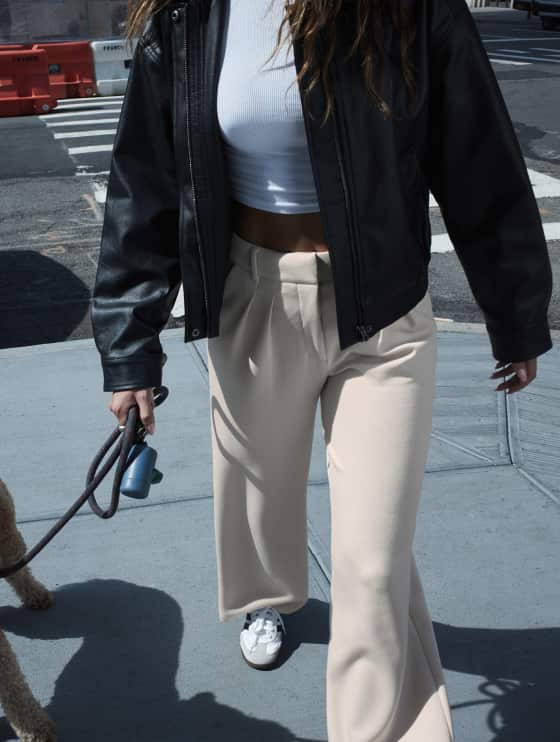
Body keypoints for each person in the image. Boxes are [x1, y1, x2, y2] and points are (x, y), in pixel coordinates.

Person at [90, 1, 553, 740]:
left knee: (373, 566)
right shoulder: (189, 15)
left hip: (385, 315)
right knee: (259, 502)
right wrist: (129, 347)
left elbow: (478, 158)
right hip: (251, 303)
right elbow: (144, 182)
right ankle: (267, 598)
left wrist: (516, 312)